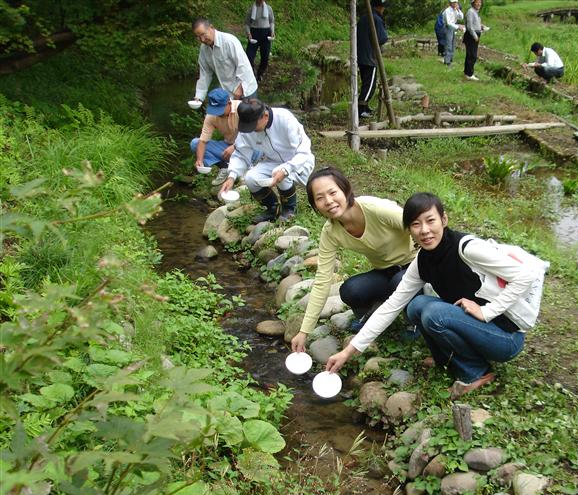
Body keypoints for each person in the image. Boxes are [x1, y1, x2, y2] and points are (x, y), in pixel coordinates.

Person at [326, 193, 542, 398]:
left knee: (433, 313)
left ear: (444, 219)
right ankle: (445, 359)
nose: (425, 230)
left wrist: (487, 311)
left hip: (506, 337)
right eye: (416, 224)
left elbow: (526, 276)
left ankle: (477, 372)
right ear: (409, 230)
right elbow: (391, 306)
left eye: (431, 221)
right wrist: (348, 352)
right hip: (479, 328)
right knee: (416, 306)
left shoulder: (467, 248)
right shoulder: (423, 261)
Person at [290, 167, 418, 353]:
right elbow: (322, 281)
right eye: (319, 198)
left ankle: (413, 322)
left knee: (401, 282)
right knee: (350, 290)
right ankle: (374, 314)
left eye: (333, 192)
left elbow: (419, 225)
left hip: (415, 265)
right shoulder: (331, 232)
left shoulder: (375, 208)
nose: (328, 201)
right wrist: (304, 330)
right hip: (385, 271)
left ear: (345, 189)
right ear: (314, 205)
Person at [220, 99, 315, 222]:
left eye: (254, 126)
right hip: (272, 161)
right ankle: (272, 208)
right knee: (250, 178)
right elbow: (240, 153)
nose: (252, 130)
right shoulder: (249, 128)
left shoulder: (284, 118)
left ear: (265, 115)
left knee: (279, 170)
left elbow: (304, 151)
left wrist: (287, 169)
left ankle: (290, 210)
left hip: (299, 162)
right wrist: (231, 177)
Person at [192, 18, 258, 102]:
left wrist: (241, 88)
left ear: (211, 27)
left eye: (203, 34)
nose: (202, 39)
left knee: (250, 115)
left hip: (246, 90)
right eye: (198, 37)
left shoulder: (229, 41)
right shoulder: (204, 49)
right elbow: (205, 73)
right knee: (229, 115)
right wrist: (199, 96)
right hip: (227, 92)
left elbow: (244, 66)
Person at [190, 88, 240, 184]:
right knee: (195, 144)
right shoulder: (211, 115)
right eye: (215, 109)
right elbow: (203, 141)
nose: (217, 113)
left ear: (229, 103)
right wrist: (199, 160)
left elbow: (252, 136)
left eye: (220, 109)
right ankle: (225, 167)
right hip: (228, 146)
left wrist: (235, 146)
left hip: (249, 147)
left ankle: (246, 167)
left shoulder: (241, 108)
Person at [356, 0, 389, 118]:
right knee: (370, 85)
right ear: (380, 7)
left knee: (365, 83)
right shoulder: (376, 19)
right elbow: (382, 38)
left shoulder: (363, 18)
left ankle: (365, 107)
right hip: (370, 57)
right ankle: (360, 109)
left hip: (360, 55)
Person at [244, 0, 275, 84]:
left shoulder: (269, 9)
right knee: (249, 57)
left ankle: (260, 74)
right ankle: (252, 74)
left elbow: (271, 21)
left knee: (265, 57)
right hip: (254, 34)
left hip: (266, 34)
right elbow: (246, 24)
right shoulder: (251, 10)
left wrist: (272, 31)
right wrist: (249, 33)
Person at [464, 0, 488, 81]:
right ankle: (469, 74)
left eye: (480, 2)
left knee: (470, 55)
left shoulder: (475, 12)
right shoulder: (470, 12)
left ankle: (467, 73)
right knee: (472, 55)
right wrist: (475, 36)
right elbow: (470, 26)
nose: (479, 4)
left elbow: (475, 23)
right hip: (471, 36)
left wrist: (481, 26)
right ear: (473, 3)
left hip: (475, 34)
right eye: (477, 2)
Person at [442, 0, 465, 69]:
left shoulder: (455, 10)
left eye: (456, 2)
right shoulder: (447, 11)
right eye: (454, 2)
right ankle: (447, 61)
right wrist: (458, 27)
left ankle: (450, 60)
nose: (455, 3)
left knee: (452, 44)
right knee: (448, 44)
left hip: (452, 28)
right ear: (450, 3)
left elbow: (461, 17)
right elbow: (449, 23)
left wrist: (458, 10)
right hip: (447, 28)